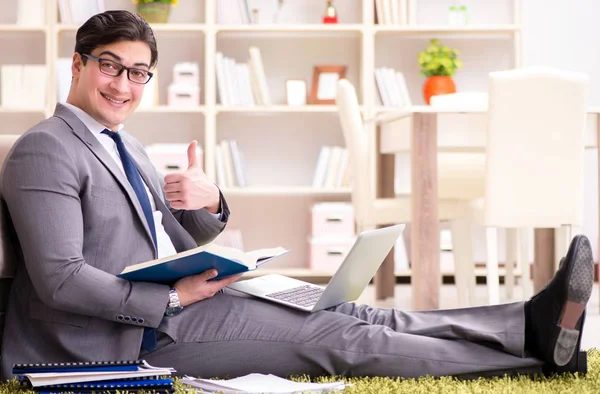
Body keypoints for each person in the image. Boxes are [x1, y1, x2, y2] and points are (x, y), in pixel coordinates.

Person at [0, 10, 594, 381]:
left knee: (350, 311)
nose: (124, 85)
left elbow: (175, 240)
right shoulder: (46, 147)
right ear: (76, 64)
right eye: (110, 66)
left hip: (185, 302)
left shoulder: (124, 144)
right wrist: (174, 298)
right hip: (126, 338)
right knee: (338, 338)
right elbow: (61, 277)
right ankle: (536, 359)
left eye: (138, 73)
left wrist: (207, 204)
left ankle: (524, 322)